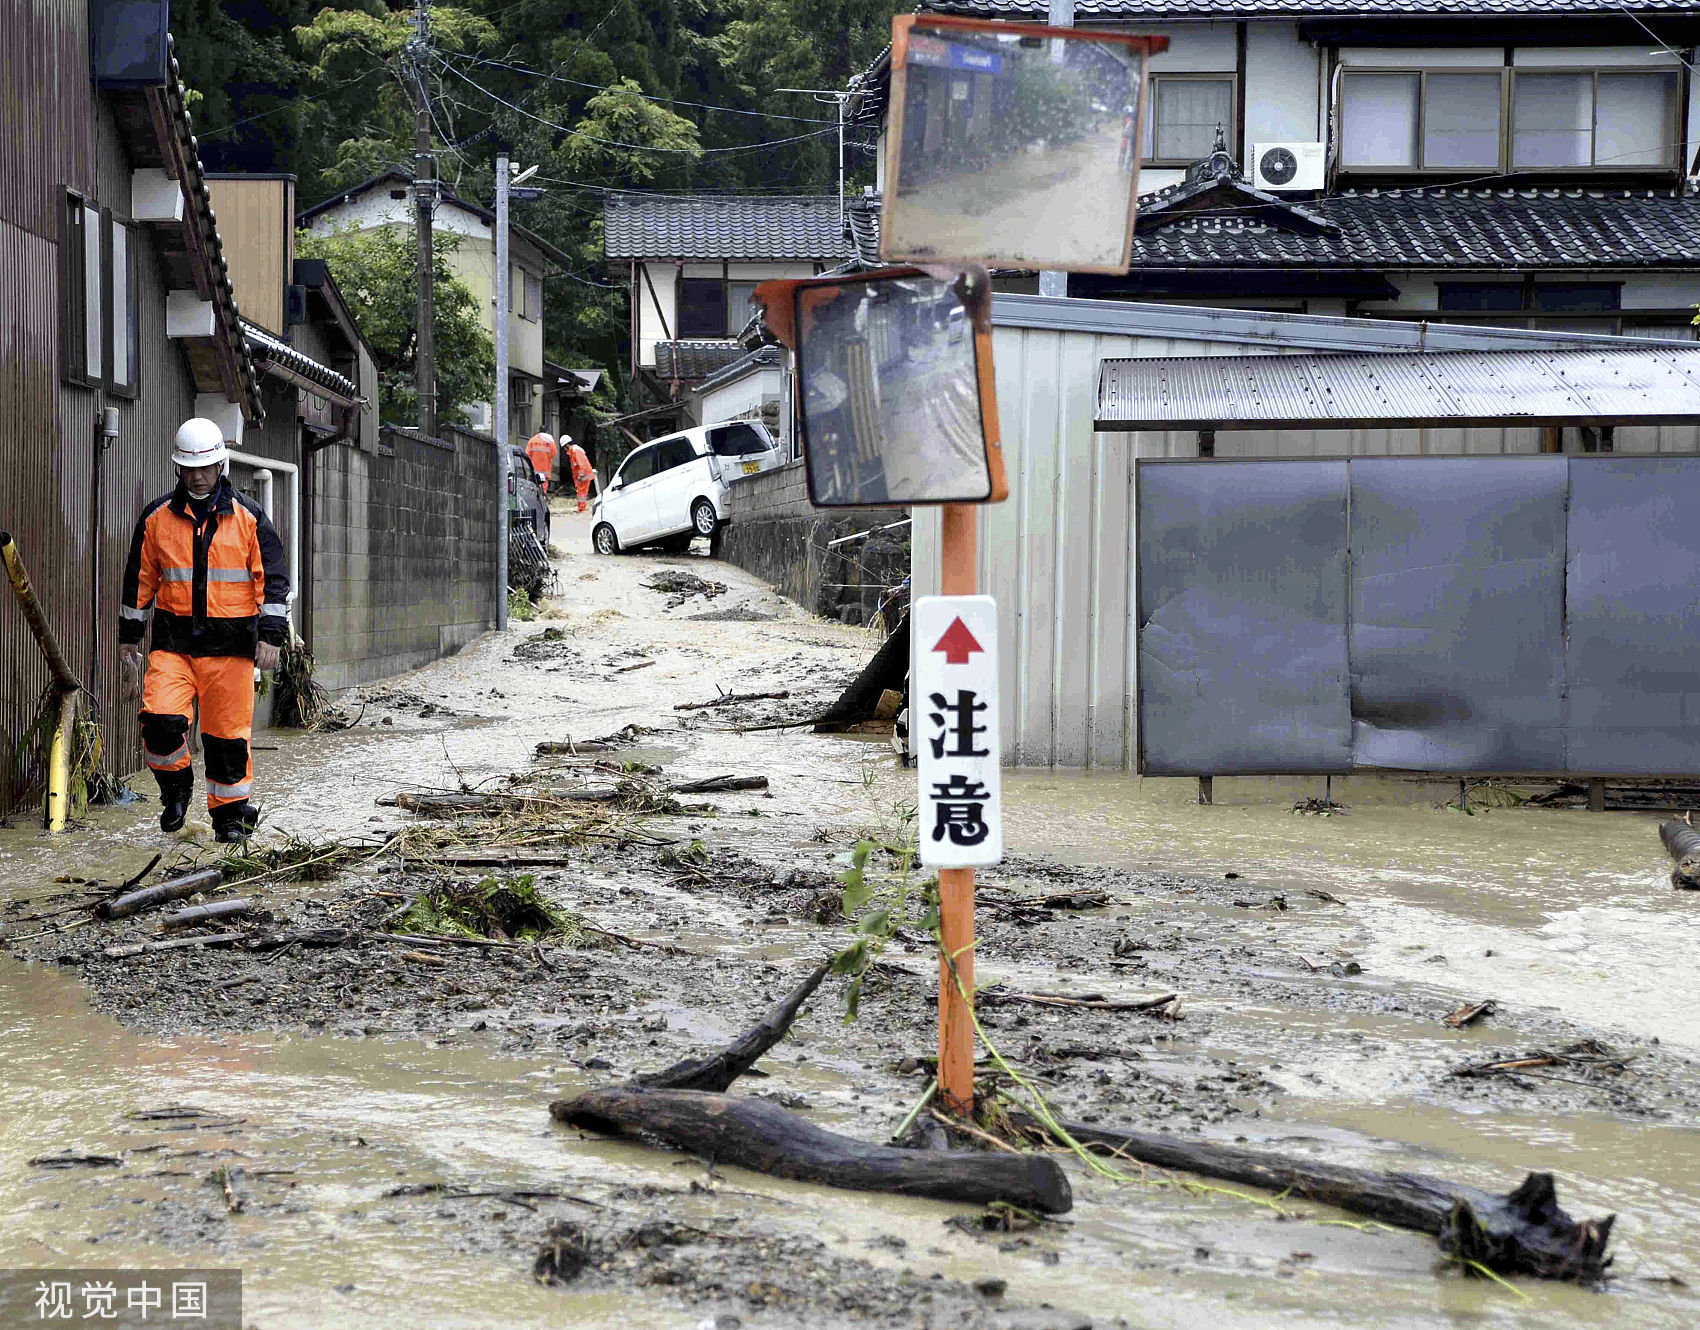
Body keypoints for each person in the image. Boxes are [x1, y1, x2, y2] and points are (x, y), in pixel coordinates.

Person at [119, 419, 290, 842]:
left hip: (231, 648)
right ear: (177, 468)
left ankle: (229, 819)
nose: (197, 476)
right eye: (189, 468)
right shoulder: (157, 518)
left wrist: (271, 635)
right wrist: (128, 640)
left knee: (227, 740)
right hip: (173, 645)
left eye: (206, 468)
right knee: (159, 721)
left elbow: (273, 579)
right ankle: (176, 790)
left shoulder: (249, 518)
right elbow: (139, 580)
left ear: (221, 466)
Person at [564, 435, 595, 513]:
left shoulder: (576, 451)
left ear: (567, 445)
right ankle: (581, 508)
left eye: (564, 447)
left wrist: (580, 475)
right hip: (583, 475)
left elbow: (582, 465)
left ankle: (582, 509)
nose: (564, 450)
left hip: (584, 475)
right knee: (581, 493)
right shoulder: (573, 451)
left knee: (581, 493)